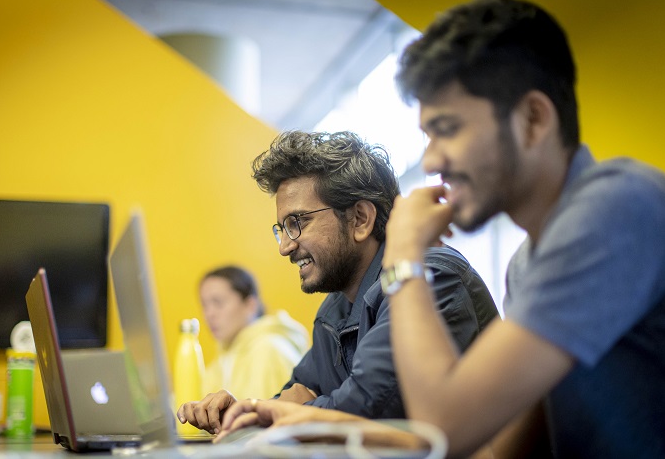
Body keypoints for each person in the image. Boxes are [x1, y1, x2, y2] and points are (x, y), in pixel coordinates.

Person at [220, 0, 665, 458]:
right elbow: (493, 449)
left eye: (447, 129)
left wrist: (405, 256)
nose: (432, 160)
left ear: (533, 120)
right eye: (427, 136)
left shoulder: (619, 207)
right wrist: (306, 420)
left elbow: (444, 426)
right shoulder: (527, 264)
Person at [177, 130, 498, 435]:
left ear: (360, 219)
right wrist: (243, 413)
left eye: (297, 223)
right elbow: (295, 398)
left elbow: (374, 407)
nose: (285, 246)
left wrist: (299, 411)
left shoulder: (430, 277)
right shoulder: (335, 310)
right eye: (282, 228)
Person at [199, 265, 309, 400]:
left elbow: (274, 416)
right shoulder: (221, 361)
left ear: (250, 305)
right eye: (205, 305)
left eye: (218, 303)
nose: (209, 314)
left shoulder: (269, 350)